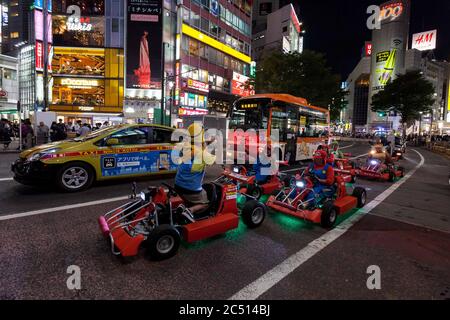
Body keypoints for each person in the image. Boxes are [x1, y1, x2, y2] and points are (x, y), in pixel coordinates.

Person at [174, 123, 216, 219]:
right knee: (206, 203)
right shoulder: (201, 154)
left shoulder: (185, 146)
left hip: (178, 184)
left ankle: (184, 206)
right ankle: (189, 211)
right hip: (190, 188)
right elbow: (211, 161)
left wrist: (207, 142)